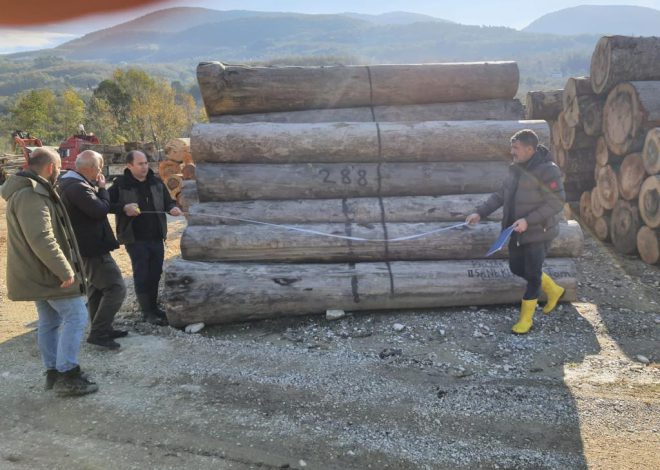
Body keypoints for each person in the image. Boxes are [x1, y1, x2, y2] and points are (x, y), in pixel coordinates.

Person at [1, 147, 98, 396]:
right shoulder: (31, 195)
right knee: (76, 316)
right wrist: (65, 271)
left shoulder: (29, 191)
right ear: (51, 168)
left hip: (38, 272)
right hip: (47, 273)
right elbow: (42, 238)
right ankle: (67, 374)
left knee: (50, 320)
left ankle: (53, 373)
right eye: (59, 169)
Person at [466, 129, 567, 335]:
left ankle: (526, 319)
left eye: (516, 148)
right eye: (512, 147)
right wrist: (479, 212)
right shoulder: (515, 169)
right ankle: (554, 290)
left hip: (538, 231)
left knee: (532, 274)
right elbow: (500, 195)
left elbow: (556, 202)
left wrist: (528, 221)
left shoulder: (549, 171)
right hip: (514, 231)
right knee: (516, 267)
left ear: (530, 149)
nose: (512, 152)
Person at [58, 150, 127, 350]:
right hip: (91, 247)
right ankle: (99, 332)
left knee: (97, 288)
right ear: (89, 168)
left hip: (87, 246)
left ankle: (102, 327)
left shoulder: (73, 183)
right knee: (116, 288)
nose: (100, 171)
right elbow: (99, 210)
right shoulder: (77, 187)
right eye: (98, 167)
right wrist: (103, 188)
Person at [108, 151, 182, 325]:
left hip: (157, 236)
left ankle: (154, 308)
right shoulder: (121, 185)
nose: (144, 167)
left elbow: (167, 202)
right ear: (129, 166)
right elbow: (105, 204)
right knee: (142, 273)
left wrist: (172, 208)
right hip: (135, 238)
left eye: (146, 163)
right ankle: (147, 311)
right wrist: (124, 208)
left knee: (155, 273)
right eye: (140, 164)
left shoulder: (156, 182)